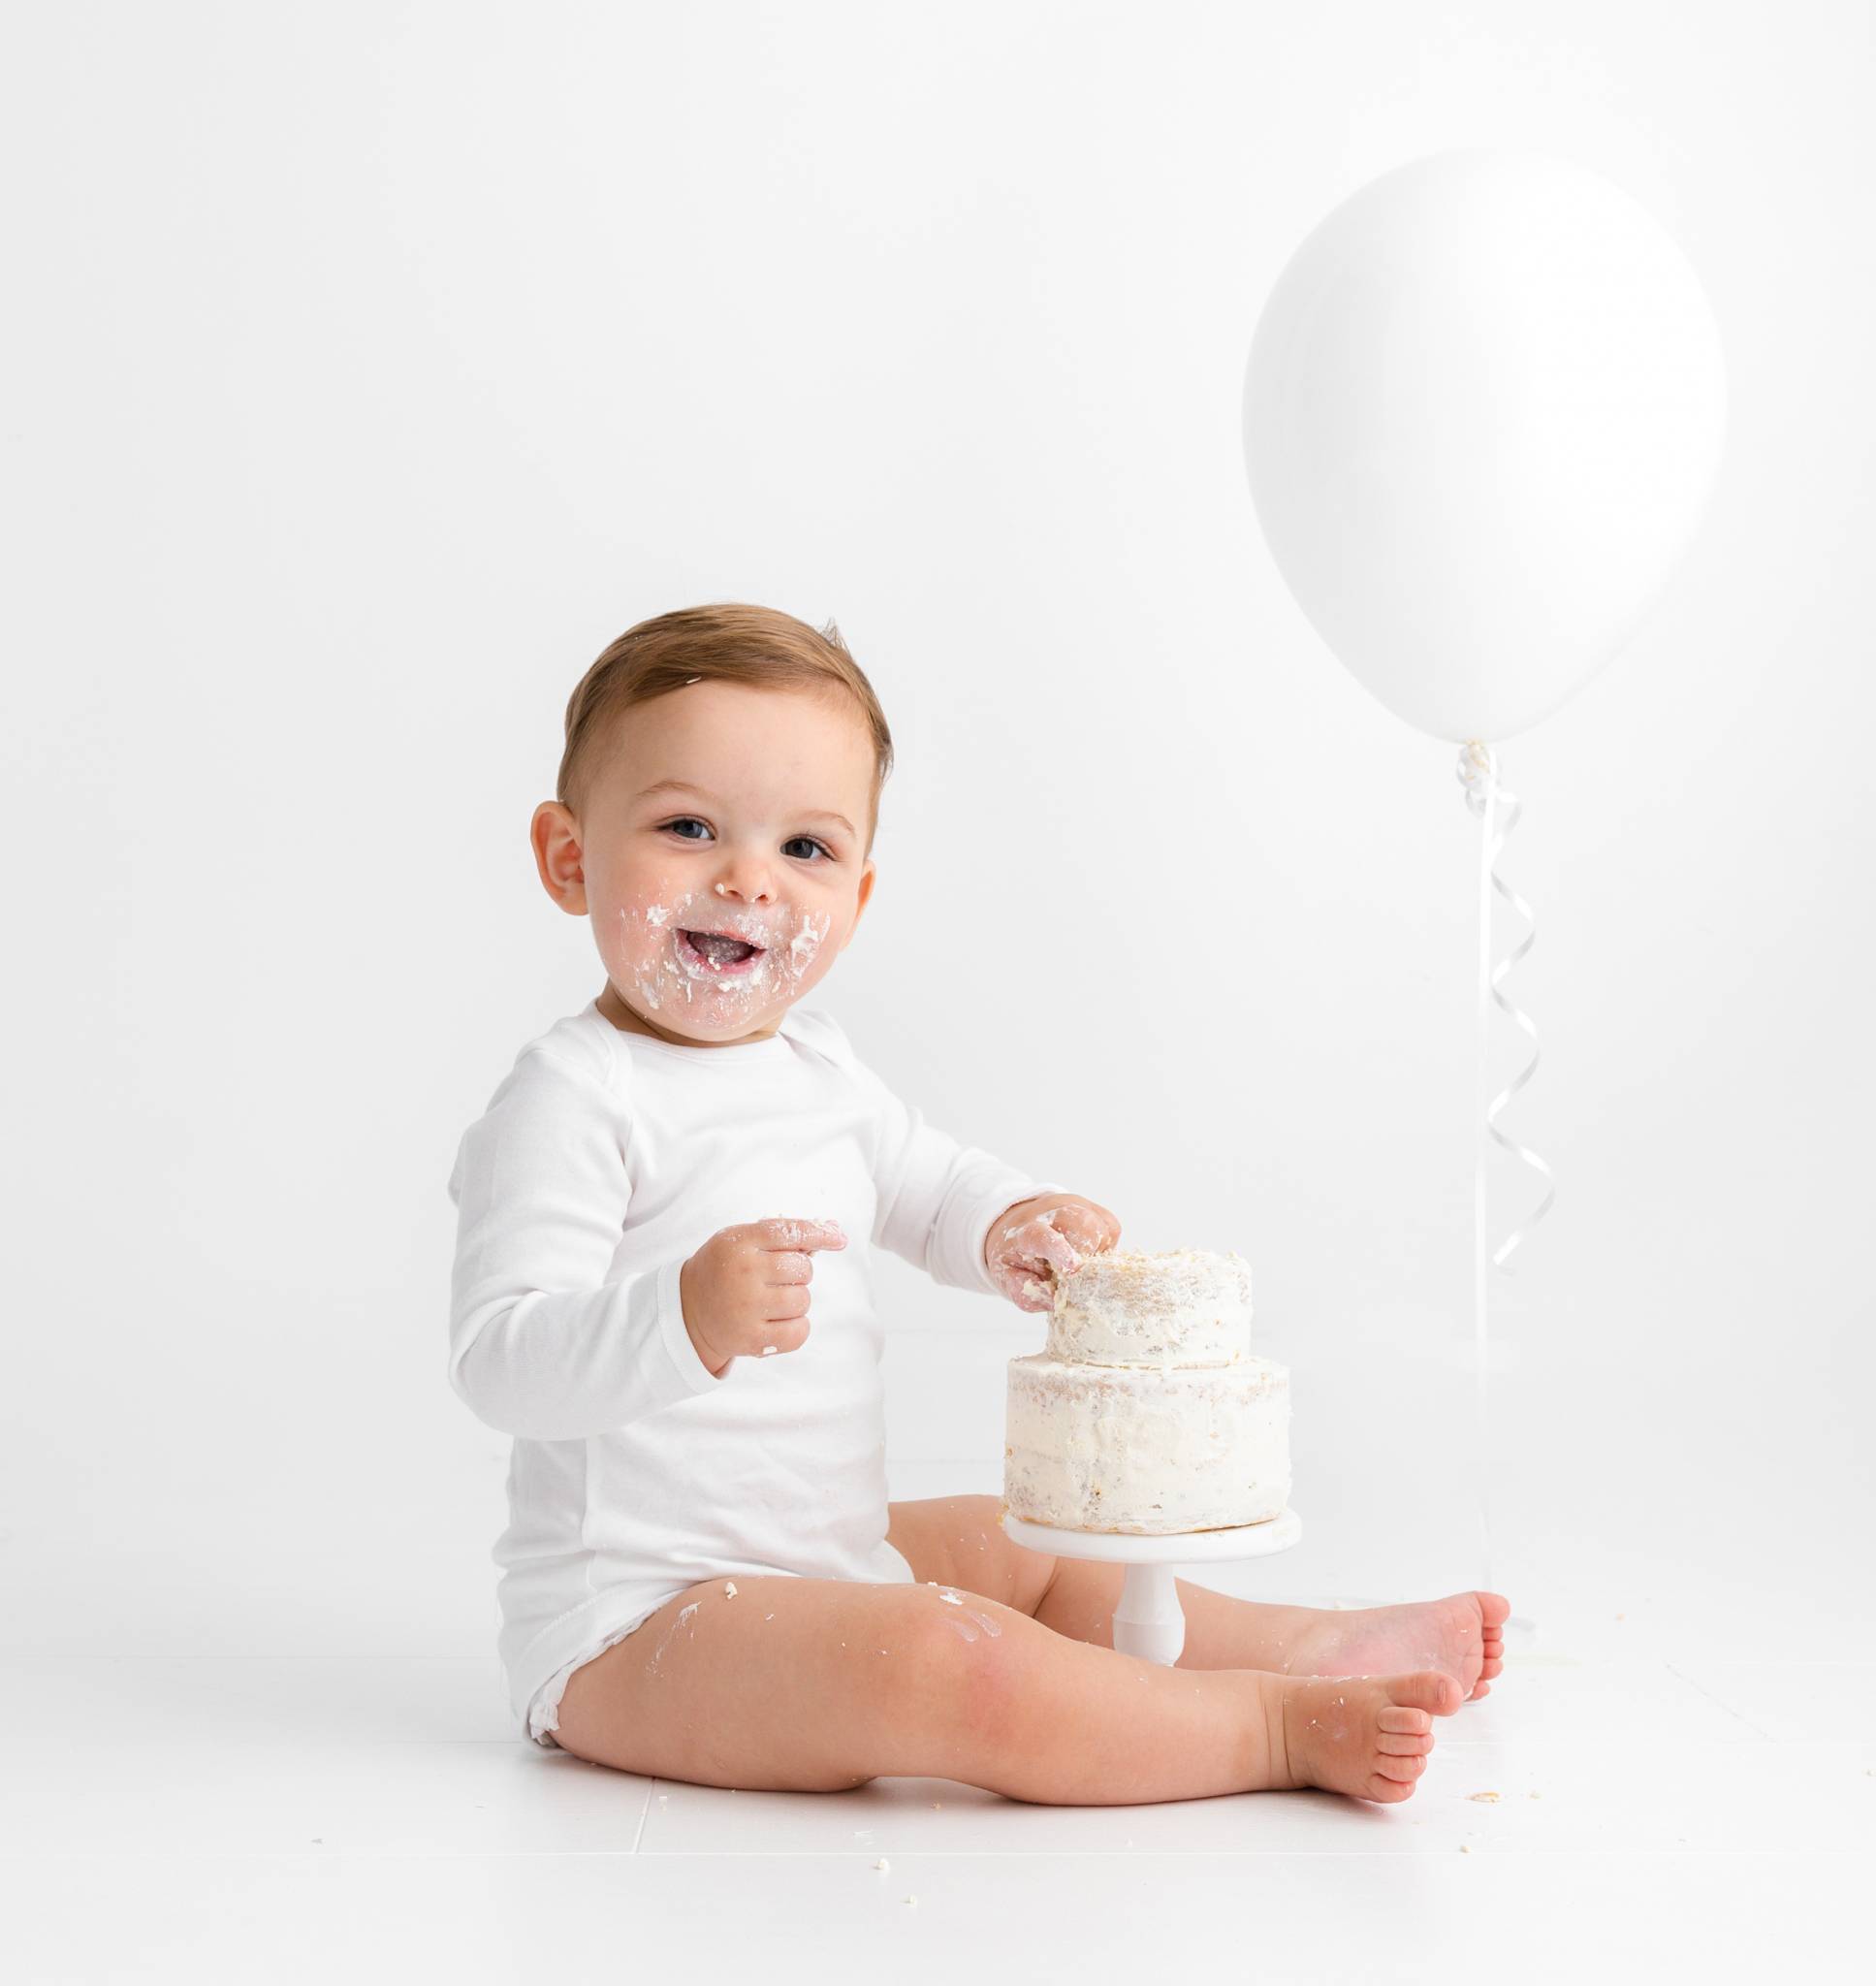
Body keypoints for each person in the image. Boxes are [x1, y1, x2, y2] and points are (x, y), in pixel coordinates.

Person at [446, 602, 1509, 1805]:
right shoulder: (575, 1095)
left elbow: (925, 1183)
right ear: (569, 856)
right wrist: (680, 1316)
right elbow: (497, 1360)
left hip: (826, 1566)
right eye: (688, 827)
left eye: (805, 847)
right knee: (943, 1659)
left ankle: (1309, 1643)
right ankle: (1265, 1726)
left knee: (1019, 1541)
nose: (747, 878)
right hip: (637, 1623)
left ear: (857, 891)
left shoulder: (822, 1071)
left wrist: (1006, 1222)